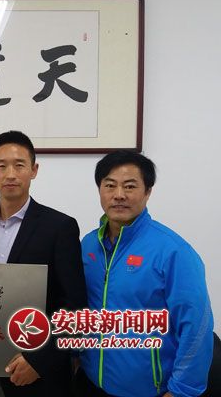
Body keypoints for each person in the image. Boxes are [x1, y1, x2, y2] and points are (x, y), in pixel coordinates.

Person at [0, 130, 87, 396]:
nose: (10, 174)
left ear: (34, 170)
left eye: (19, 165)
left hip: (37, 378)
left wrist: (39, 361)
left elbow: (73, 308)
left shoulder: (60, 227)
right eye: (2, 166)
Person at [78, 150, 214, 397]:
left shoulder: (173, 251)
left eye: (130, 186)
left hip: (151, 391)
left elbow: (197, 328)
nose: (119, 195)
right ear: (100, 190)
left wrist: (181, 391)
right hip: (91, 382)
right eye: (110, 185)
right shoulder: (88, 245)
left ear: (148, 192)